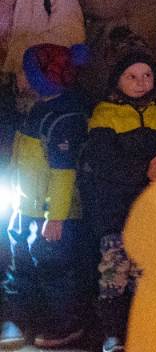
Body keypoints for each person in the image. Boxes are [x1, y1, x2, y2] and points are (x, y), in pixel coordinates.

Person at [79, 48, 156, 352]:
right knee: (114, 274)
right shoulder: (106, 114)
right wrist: (144, 171)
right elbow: (103, 161)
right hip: (116, 211)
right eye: (132, 76)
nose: (141, 83)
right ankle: (114, 334)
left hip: (154, 211)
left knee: (146, 274)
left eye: (147, 75)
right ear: (118, 80)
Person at [3, 44, 90, 351]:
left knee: (55, 270)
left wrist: (56, 216)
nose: (19, 77)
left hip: (49, 214)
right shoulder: (37, 110)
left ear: (41, 78)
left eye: (25, 72)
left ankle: (66, 323)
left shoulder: (62, 118)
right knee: (21, 266)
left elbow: (63, 173)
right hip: (25, 206)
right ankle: (20, 319)